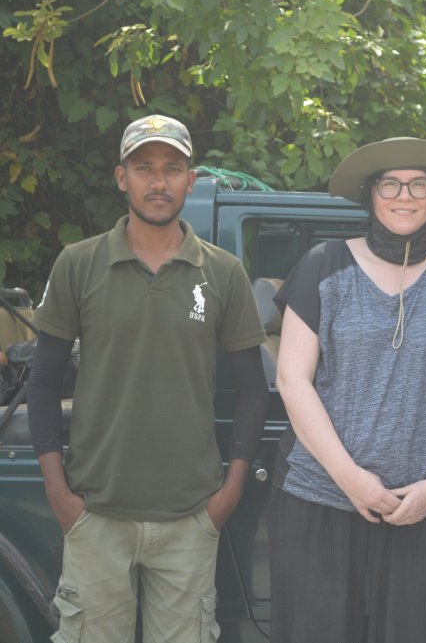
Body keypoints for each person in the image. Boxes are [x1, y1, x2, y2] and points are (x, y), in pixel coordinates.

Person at [27, 114, 270, 641]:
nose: (159, 182)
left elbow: (253, 389)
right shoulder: (78, 264)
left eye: (172, 169)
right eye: (144, 168)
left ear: (190, 180)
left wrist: (228, 492)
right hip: (96, 514)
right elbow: (43, 382)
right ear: (122, 177)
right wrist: (58, 493)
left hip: (191, 518)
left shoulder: (222, 272)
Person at [269, 137, 426, 643]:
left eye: (419, 185)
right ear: (370, 194)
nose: (404, 196)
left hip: (417, 504)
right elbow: (291, 379)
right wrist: (351, 479)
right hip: (318, 493)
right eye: (390, 184)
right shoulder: (324, 265)